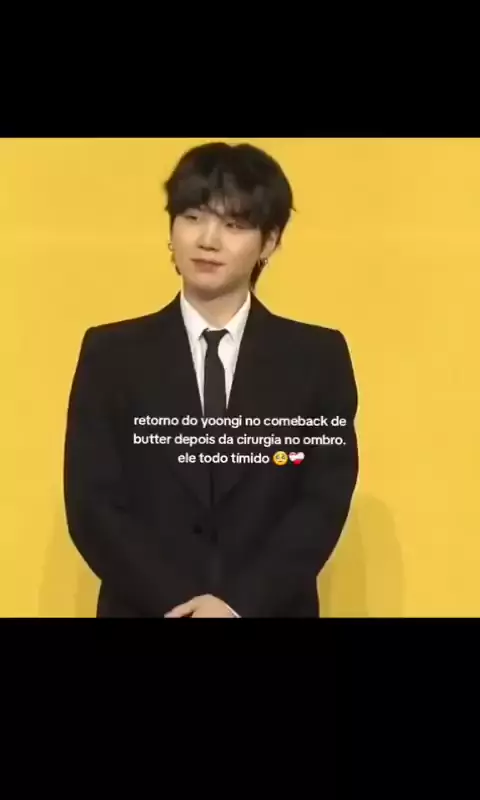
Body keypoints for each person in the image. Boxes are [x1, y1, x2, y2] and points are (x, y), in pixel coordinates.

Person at [63, 141, 359, 617]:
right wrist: (180, 603)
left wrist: (236, 606)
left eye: (234, 224)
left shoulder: (316, 359)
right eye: (193, 217)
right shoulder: (111, 355)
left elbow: (321, 502)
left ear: (269, 241)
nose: (208, 239)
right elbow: (92, 504)